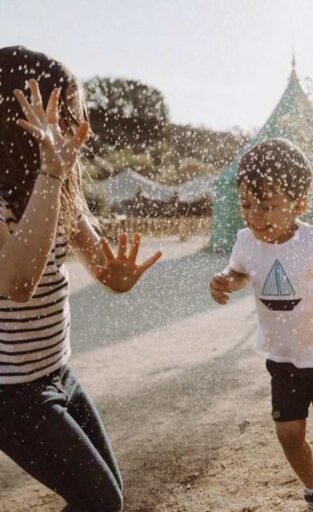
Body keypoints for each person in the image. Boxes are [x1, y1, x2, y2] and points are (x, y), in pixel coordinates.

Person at [0, 46, 162, 511]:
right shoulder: (39, 185)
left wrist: (120, 278)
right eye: (66, 117)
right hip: (11, 394)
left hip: (57, 373)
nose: (79, 132)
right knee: (101, 502)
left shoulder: (58, 185)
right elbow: (19, 282)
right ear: (16, 121)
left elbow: (102, 268)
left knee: (100, 499)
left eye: (78, 115)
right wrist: (51, 174)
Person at [208, 138, 313, 512]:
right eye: (246, 205)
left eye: (267, 207)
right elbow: (238, 273)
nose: (255, 216)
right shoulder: (246, 242)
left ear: (300, 205)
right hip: (283, 358)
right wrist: (224, 280)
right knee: (288, 435)